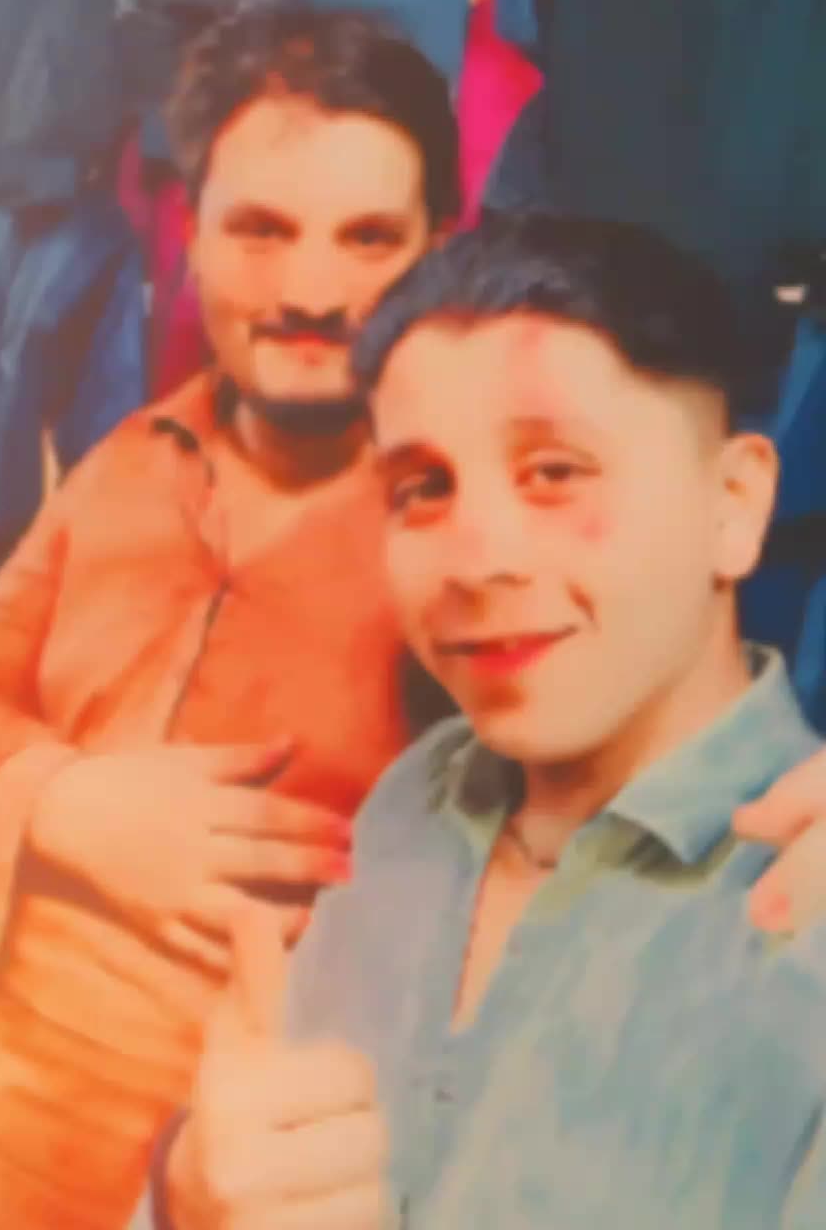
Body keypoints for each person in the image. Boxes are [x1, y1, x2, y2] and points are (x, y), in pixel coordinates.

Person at [159, 214, 826, 1230]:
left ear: (732, 504)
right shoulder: (413, 802)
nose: (474, 560)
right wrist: (188, 1197)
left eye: (555, 470)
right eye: (422, 488)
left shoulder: (800, 912)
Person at [0, 2, 458, 1229]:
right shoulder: (133, 456)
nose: (310, 289)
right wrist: (60, 798)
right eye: (260, 229)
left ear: (438, 249)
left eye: (368, 238)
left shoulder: (468, 523)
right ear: (188, 230)